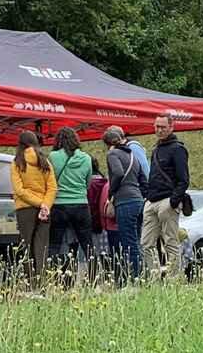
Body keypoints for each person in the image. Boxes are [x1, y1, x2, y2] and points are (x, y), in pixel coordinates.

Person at [140, 117, 189, 278]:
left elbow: (184, 180)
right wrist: (148, 198)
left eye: (163, 127)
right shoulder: (156, 149)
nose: (159, 130)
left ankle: (173, 279)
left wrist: (173, 201)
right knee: (146, 243)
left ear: (171, 127)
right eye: (156, 126)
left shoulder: (177, 149)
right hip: (152, 201)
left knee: (170, 242)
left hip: (167, 201)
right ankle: (155, 277)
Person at [48, 129, 96, 279]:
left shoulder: (53, 156)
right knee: (87, 244)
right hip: (81, 204)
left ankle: (54, 278)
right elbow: (88, 183)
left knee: (55, 244)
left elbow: (50, 181)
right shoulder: (86, 158)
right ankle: (94, 277)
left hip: (59, 205)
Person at [8, 130, 55, 281]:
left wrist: (39, 203)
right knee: (42, 247)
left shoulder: (17, 163)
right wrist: (45, 205)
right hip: (44, 210)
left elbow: (19, 190)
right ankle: (42, 283)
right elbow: (53, 187)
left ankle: (29, 281)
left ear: (20, 144)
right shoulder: (45, 161)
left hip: (24, 210)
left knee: (26, 247)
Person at [101, 127, 146, 284]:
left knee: (128, 244)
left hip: (125, 202)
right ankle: (142, 275)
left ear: (107, 144)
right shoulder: (132, 154)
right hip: (139, 202)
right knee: (137, 241)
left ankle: (136, 280)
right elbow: (143, 180)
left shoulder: (112, 154)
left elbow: (118, 173)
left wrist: (111, 194)